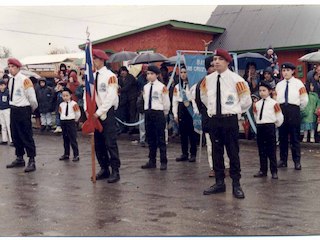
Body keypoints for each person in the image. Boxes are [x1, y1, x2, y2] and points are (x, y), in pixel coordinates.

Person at [202, 48, 252, 199]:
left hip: (230, 120)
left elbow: (246, 101)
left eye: (220, 59)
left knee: (232, 152)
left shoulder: (237, 80)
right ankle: (219, 183)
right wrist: (213, 110)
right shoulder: (208, 80)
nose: (216, 61)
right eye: (215, 59)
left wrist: (233, 110)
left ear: (227, 62)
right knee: (216, 152)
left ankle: (236, 184)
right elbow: (204, 97)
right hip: (214, 120)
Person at [86, 49, 121, 183]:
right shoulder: (91, 76)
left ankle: (115, 170)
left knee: (110, 143)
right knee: (98, 143)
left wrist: (99, 112)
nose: (93, 62)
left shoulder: (110, 76)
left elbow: (111, 97)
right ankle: (104, 168)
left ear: (102, 60)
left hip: (106, 112)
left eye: (95, 59)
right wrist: (88, 111)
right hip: (94, 113)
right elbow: (87, 94)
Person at [195, 56, 230, 177]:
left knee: (226, 144)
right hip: (209, 119)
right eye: (211, 66)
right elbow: (199, 101)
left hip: (224, 118)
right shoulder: (203, 82)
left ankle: (226, 166)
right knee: (211, 146)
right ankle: (213, 167)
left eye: (215, 64)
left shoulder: (226, 80)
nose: (214, 67)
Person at [6, 58, 38, 172]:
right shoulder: (10, 80)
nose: (10, 69)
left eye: (13, 67)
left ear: (18, 68)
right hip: (14, 109)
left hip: (24, 109)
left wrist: (30, 110)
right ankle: (19, 157)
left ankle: (31, 160)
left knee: (26, 135)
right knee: (15, 135)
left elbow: (32, 99)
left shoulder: (25, 80)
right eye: (9, 67)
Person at [276, 62, 308, 170]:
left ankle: (297, 161)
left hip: (293, 111)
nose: (285, 73)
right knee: (282, 137)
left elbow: (304, 100)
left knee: (295, 138)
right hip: (282, 111)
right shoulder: (279, 85)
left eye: (287, 70)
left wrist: (297, 109)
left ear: (293, 71)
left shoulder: (298, 83)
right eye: (283, 71)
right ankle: (283, 160)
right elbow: (276, 100)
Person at [141, 65, 170, 171]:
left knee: (161, 138)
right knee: (151, 138)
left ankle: (163, 161)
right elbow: (145, 99)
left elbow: (166, 102)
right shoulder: (146, 87)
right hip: (148, 113)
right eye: (148, 74)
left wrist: (164, 113)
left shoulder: (162, 87)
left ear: (157, 75)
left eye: (152, 74)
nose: (149, 76)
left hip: (158, 113)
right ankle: (151, 160)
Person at [253, 81, 284, 179]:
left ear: (269, 91)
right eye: (260, 90)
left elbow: (279, 117)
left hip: (270, 127)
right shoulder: (257, 104)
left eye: (264, 90)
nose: (262, 93)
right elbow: (255, 115)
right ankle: (263, 170)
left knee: (271, 150)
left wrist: (276, 124)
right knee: (261, 150)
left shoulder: (274, 103)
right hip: (260, 126)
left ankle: (274, 171)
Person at [172, 66, 199, 162]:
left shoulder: (192, 86)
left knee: (192, 133)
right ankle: (184, 153)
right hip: (181, 107)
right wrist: (175, 114)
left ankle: (193, 154)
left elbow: (195, 100)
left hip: (190, 108)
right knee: (183, 133)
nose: (183, 74)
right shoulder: (177, 87)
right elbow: (174, 101)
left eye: (185, 72)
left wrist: (196, 112)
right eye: (182, 72)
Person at [58, 87, 81, 162]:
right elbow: (60, 112)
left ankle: (76, 154)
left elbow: (77, 113)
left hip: (71, 121)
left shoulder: (74, 104)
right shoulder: (61, 105)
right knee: (65, 139)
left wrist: (75, 120)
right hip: (64, 121)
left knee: (73, 139)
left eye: (66, 96)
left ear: (70, 95)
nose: (65, 97)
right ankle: (66, 154)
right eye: (63, 96)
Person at [118, 66, 138, 134]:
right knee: (125, 113)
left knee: (131, 113)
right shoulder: (120, 79)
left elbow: (127, 87)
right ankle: (124, 128)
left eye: (124, 71)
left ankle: (131, 128)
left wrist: (119, 90)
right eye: (121, 71)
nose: (122, 72)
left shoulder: (131, 77)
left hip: (132, 98)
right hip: (124, 99)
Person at [0, 80, 13, 145]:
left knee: (9, 125)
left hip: (7, 109)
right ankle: (4, 139)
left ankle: (12, 140)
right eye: (0, 85)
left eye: (2, 85)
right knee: (3, 125)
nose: (1, 87)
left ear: (5, 85)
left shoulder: (8, 92)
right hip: (1, 110)